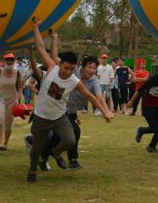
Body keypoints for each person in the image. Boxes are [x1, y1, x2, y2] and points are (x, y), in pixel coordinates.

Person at [27, 18, 113, 183]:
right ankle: (32, 170)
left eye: (72, 69)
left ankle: (56, 152)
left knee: (70, 140)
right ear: (60, 65)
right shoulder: (52, 68)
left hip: (59, 117)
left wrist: (105, 112)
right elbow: (40, 48)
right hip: (41, 116)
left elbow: (91, 96)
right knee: (37, 147)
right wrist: (36, 26)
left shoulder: (74, 81)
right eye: (66, 68)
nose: (68, 72)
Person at [39, 54, 108, 170]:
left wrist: (106, 111)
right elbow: (56, 60)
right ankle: (72, 159)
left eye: (94, 68)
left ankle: (43, 157)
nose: (92, 70)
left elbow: (99, 96)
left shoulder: (93, 81)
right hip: (59, 108)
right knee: (75, 131)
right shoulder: (72, 71)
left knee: (57, 137)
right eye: (89, 67)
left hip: (71, 111)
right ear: (82, 67)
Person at [0, 52, 24, 151]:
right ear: (4, 61)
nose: (9, 61)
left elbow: (20, 87)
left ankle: (5, 143)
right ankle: (0, 143)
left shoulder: (18, 73)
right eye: (7, 60)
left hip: (12, 100)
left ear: (14, 61)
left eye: (11, 60)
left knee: (8, 122)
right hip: (0, 99)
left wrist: (17, 99)